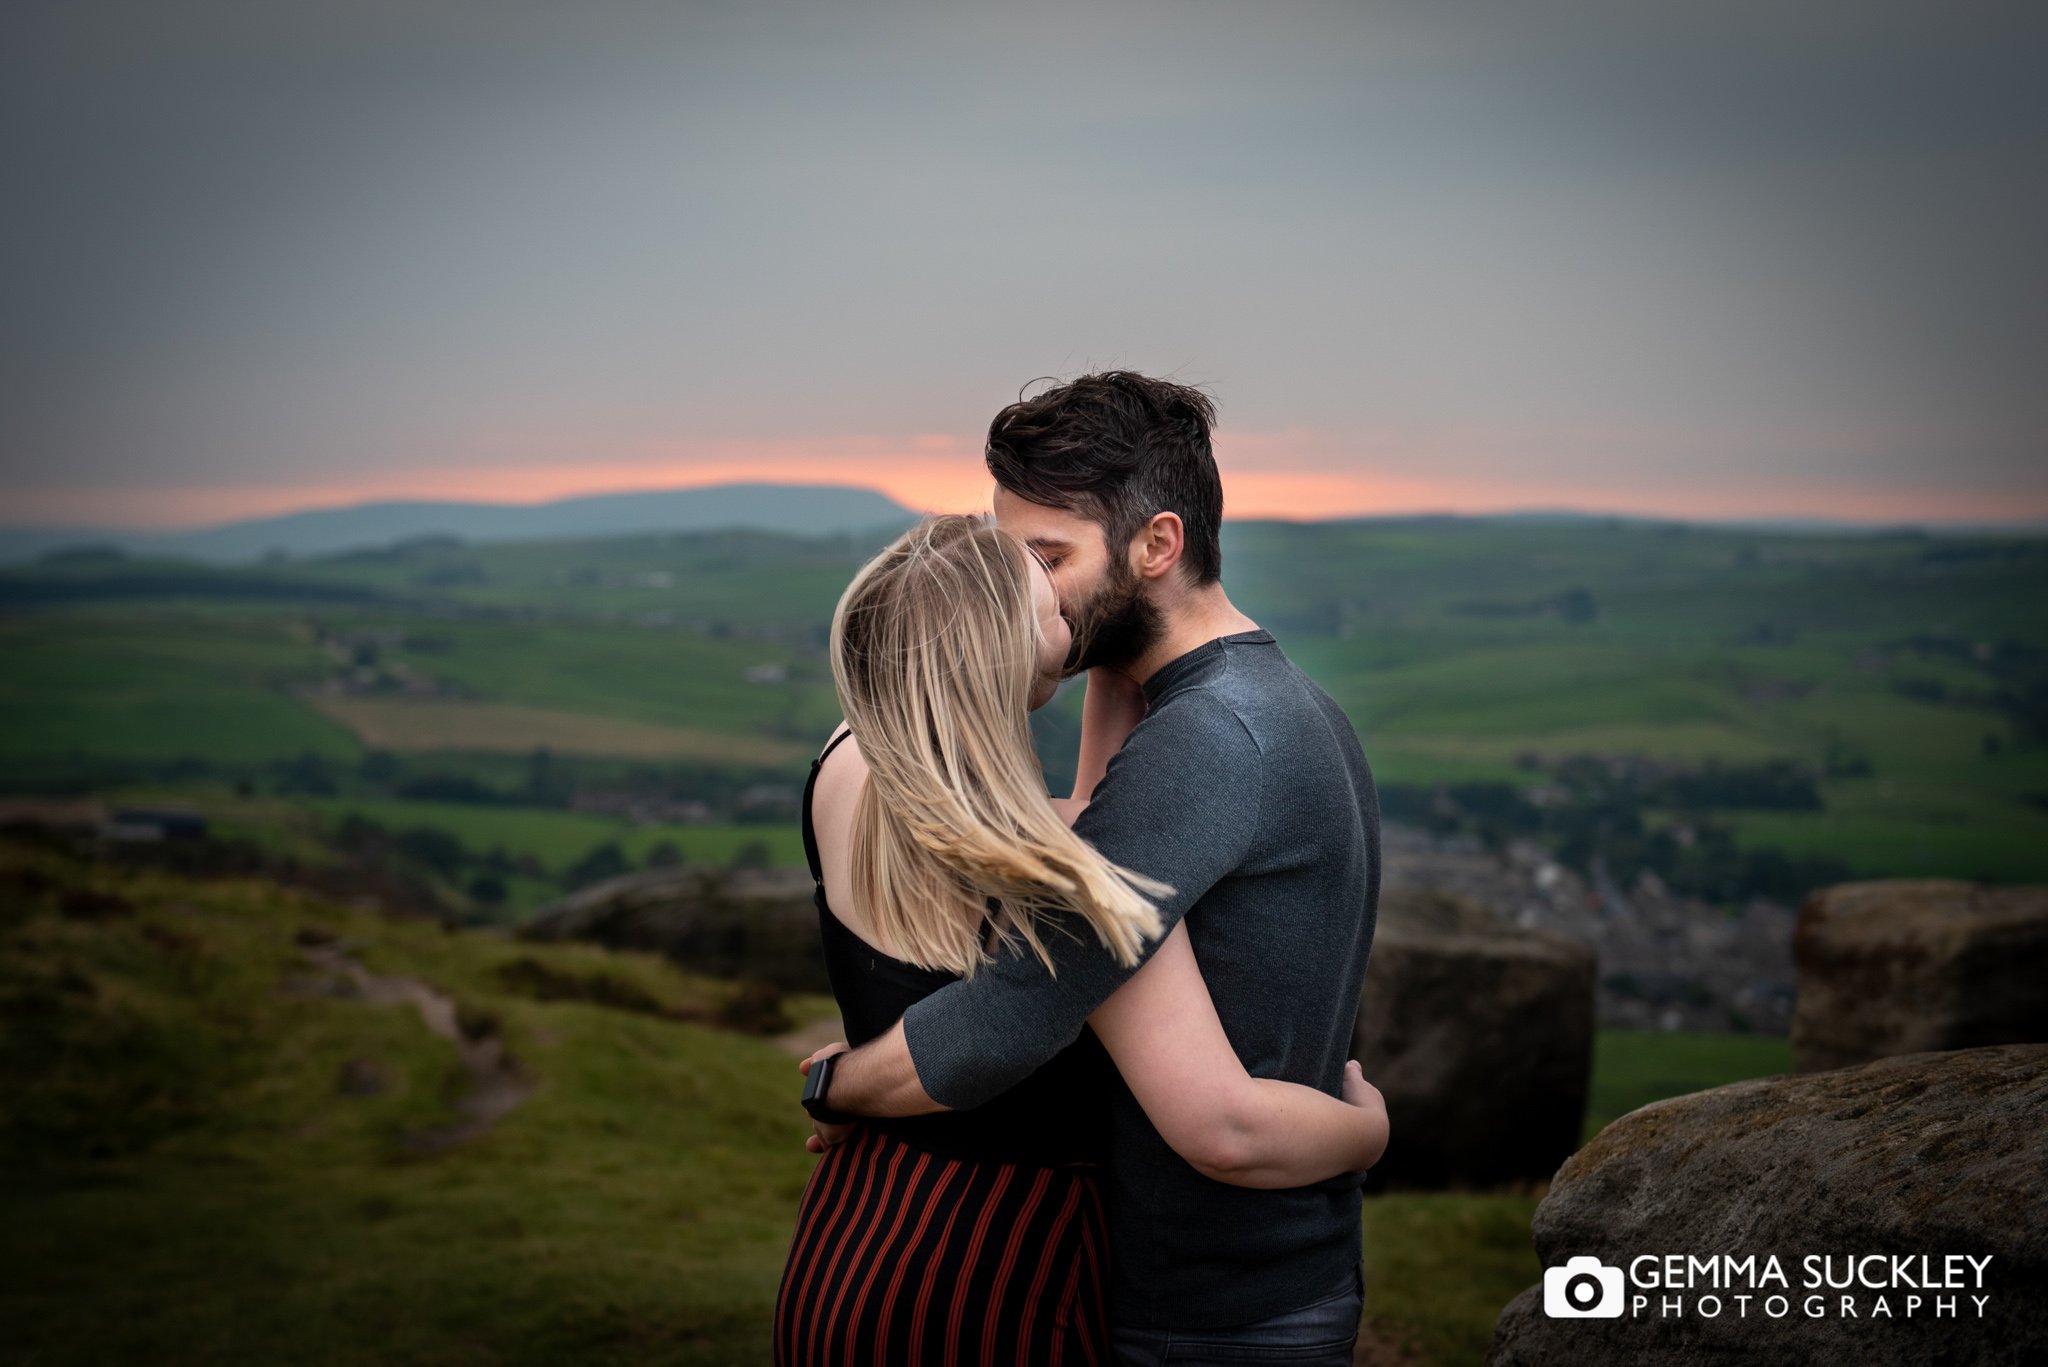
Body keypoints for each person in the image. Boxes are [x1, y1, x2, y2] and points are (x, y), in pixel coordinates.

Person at [800, 372, 1384, 1365]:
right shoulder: (1278, 703)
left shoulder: (1202, 743)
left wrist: (834, 1086)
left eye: (1046, 555)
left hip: (1193, 1310)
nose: (1017, 586)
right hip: (1260, 1277)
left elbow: (1012, 1013)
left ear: (1156, 545)